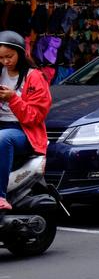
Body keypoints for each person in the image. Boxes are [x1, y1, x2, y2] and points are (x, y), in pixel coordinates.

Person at [0, 31, 52, 211]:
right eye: (1, 58)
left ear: (20, 53)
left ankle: (0, 196)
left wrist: (13, 98)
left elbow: (36, 116)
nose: (5, 62)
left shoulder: (35, 76)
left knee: (2, 138)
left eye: (9, 56)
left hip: (24, 132)